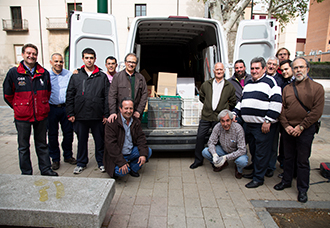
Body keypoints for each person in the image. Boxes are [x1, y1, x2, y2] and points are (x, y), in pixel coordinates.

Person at [274, 57, 324, 203]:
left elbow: (316, 112)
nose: (298, 70)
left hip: (306, 130)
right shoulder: (288, 89)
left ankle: (302, 189)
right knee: (288, 158)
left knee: (302, 161)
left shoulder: (317, 88)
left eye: (301, 67)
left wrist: (301, 127)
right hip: (288, 129)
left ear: (307, 69)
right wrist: (287, 126)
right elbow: (281, 109)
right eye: (295, 68)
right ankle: (286, 181)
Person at [3, 43, 58, 176]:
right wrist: (19, 107)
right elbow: (7, 95)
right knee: (23, 147)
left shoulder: (43, 73)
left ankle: (45, 169)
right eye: (28, 53)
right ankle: (26, 173)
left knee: (42, 145)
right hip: (22, 117)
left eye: (34, 54)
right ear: (23, 54)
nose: (31, 56)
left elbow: (47, 92)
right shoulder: (14, 73)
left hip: (41, 116)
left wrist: (41, 106)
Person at [233, 57, 282, 188]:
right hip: (249, 125)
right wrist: (234, 113)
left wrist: (268, 120)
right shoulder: (248, 83)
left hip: (263, 126)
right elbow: (242, 101)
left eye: (257, 68)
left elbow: (277, 103)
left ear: (264, 69)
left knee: (261, 152)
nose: (254, 71)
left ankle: (258, 179)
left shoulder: (271, 82)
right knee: (254, 150)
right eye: (252, 68)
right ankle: (255, 171)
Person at [66, 48, 110, 174]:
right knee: (81, 141)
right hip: (80, 115)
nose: (89, 60)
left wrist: (106, 114)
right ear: (83, 59)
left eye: (91, 58)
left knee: (99, 141)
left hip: (97, 116)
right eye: (86, 58)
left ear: (95, 59)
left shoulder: (102, 76)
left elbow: (107, 97)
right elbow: (70, 95)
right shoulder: (76, 76)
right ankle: (81, 163)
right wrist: (70, 113)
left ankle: (101, 162)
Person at [190, 62, 236, 169]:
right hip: (206, 116)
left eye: (221, 69)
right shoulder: (206, 84)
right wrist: (208, 105)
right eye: (217, 70)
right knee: (200, 137)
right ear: (214, 71)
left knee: (219, 140)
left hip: (219, 118)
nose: (219, 71)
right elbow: (202, 97)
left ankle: (218, 162)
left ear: (224, 71)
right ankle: (198, 160)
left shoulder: (229, 86)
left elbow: (233, 101)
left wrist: (224, 107)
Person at [104, 97, 152, 178]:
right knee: (121, 172)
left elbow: (141, 138)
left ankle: (132, 168)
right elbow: (111, 145)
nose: (128, 111)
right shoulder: (112, 123)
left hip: (131, 151)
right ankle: (125, 165)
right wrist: (121, 162)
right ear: (120, 109)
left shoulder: (136, 121)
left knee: (148, 151)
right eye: (126, 108)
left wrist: (143, 154)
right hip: (118, 154)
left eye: (131, 108)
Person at [48, 53, 76, 170]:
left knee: (68, 133)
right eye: (56, 61)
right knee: (52, 135)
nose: (58, 63)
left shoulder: (69, 74)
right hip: (52, 109)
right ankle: (55, 159)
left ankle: (68, 155)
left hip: (66, 108)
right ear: (51, 62)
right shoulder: (46, 75)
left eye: (60, 61)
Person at [201, 109, 248, 178]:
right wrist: (214, 155)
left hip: (236, 152)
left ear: (232, 120)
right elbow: (211, 142)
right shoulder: (218, 127)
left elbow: (242, 150)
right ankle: (222, 164)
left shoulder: (238, 128)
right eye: (222, 121)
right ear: (220, 121)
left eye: (227, 120)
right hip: (224, 150)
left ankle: (239, 170)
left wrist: (226, 157)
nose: (225, 124)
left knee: (242, 161)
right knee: (205, 152)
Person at [108, 53, 148, 123]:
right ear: (125, 62)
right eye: (129, 62)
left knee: (134, 133)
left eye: (133, 62)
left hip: (135, 115)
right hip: (120, 114)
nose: (131, 64)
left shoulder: (140, 78)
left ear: (136, 64)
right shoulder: (117, 77)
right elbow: (112, 95)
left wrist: (139, 111)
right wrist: (113, 112)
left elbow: (144, 96)